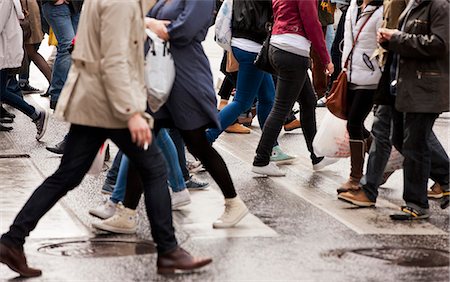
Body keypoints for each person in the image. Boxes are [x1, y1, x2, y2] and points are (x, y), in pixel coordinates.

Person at [0, 0, 212, 277]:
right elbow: (113, 58)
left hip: (95, 100)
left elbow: (107, 34)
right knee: (154, 169)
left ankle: (12, 241)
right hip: (109, 104)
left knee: (67, 175)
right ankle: (169, 252)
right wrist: (132, 112)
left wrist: (146, 23)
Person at [143, 0, 249, 228]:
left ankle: (233, 201)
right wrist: (153, 24)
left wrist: (152, 24)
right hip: (162, 74)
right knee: (144, 138)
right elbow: (146, 19)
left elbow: (184, 29)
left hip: (185, 75)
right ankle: (125, 208)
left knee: (197, 143)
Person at [377, 0, 449, 219]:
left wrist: (396, 38)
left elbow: (440, 44)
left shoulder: (439, 6)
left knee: (415, 144)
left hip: (426, 88)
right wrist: (390, 42)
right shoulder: (414, 5)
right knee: (399, 138)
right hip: (405, 85)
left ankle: (416, 204)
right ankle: (446, 178)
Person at [251, 0, 337, 176]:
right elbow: (312, 22)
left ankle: (317, 156)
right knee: (281, 108)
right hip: (293, 49)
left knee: (308, 101)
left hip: (279, 45)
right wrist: (325, 58)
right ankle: (261, 160)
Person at [336, 0, 383, 193]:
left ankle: (355, 177)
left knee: (353, 123)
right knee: (352, 121)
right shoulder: (353, 7)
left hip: (371, 77)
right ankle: (379, 159)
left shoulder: (380, 11)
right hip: (351, 74)